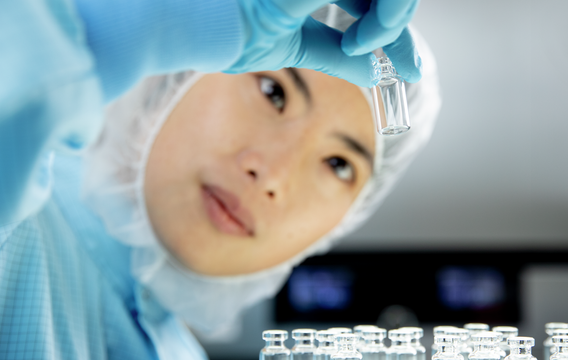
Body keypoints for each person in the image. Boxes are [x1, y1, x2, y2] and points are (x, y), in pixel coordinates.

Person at [0, 2, 440, 360]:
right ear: (183, 70)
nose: (272, 174)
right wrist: (97, 38)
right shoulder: (18, 221)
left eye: (339, 165)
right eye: (274, 93)